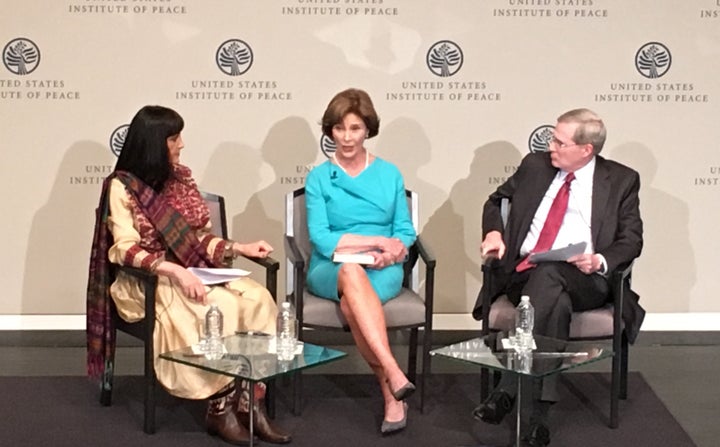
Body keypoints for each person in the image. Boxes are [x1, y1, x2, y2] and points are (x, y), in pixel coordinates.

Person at [86, 105, 291, 445]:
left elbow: (195, 239)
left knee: (257, 299)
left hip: (190, 268)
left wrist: (239, 247)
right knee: (220, 306)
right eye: (174, 138)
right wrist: (174, 272)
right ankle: (219, 407)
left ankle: (250, 402)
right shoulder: (121, 188)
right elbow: (123, 249)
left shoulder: (180, 178)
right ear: (154, 144)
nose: (181, 145)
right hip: (145, 280)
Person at [471, 108, 644, 446]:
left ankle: (507, 388)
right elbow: (496, 202)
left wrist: (599, 260)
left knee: (552, 277)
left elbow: (631, 239)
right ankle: (539, 415)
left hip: (586, 279)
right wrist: (494, 233)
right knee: (554, 300)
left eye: (559, 142)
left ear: (586, 150)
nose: (550, 146)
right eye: (552, 138)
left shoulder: (621, 180)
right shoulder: (535, 166)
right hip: (526, 273)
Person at [304, 88, 417, 435]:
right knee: (351, 271)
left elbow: (404, 230)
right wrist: (377, 240)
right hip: (330, 267)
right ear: (330, 131)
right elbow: (322, 238)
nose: (347, 137)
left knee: (355, 305)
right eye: (339, 129)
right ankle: (392, 380)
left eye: (355, 128)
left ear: (367, 129)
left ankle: (391, 390)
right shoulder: (319, 177)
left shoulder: (389, 174)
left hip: (381, 267)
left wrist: (393, 251)